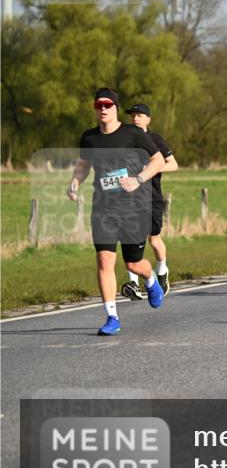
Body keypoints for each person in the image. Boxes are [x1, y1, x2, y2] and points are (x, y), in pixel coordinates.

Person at [67, 88, 166, 335]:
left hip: (133, 208)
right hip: (103, 208)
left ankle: (151, 279)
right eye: (99, 105)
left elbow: (158, 161)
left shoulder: (132, 134)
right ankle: (112, 317)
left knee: (133, 264)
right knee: (104, 259)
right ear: (95, 108)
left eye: (108, 105)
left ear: (115, 108)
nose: (103, 109)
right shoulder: (89, 138)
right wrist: (75, 182)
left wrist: (138, 179)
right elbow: (83, 164)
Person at [120, 103, 178, 301]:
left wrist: (152, 167)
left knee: (153, 239)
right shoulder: (125, 140)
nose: (135, 118)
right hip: (129, 199)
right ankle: (134, 284)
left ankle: (162, 270)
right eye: (133, 115)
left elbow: (174, 164)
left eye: (140, 115)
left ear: (148, 119)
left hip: (151, 197)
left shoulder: (155, 140)